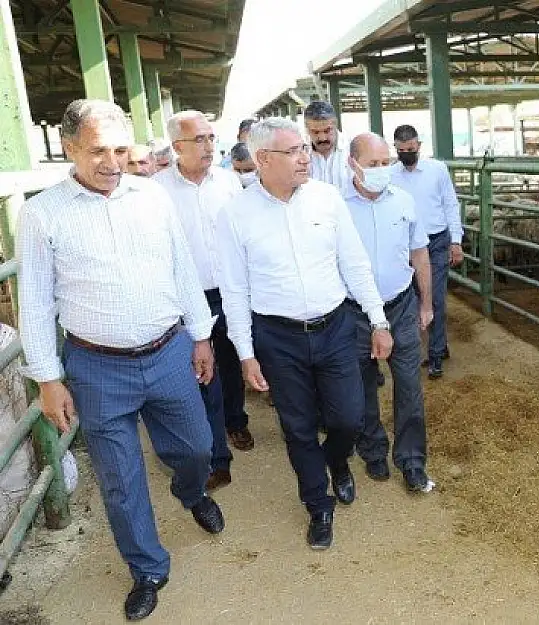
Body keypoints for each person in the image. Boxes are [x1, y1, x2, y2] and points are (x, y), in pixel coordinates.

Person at [17, 99, 224, 621]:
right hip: (96, 366)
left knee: (198, 446)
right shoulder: (42, 213)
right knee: (120, 478)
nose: (111, 162)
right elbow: (37, 301)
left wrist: (200, 337)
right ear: (68, 149)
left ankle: (190, 489)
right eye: (96, 151)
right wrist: (47, 377)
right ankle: (147, 567)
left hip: (169, 350)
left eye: (120, 150)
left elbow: (182, 269)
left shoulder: (152, 198)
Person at [216, 117, 392, 550]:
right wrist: (245, 354)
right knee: (297, 427)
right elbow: (234, 291)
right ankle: (318, 505)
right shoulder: (235, 215)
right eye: (293, 150)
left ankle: (339, 462)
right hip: (278, 337)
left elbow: (354, 263)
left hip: (335, 328)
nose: (305, 156)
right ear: (262, 160)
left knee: (347, 418)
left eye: (304, 148)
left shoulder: (326, 199)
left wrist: (378, 319)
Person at [154, 110, 251, 479]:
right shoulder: (157, 190)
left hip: (231, 290)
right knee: (204, 372)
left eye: (211, 138)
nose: (209, 146)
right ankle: (217, 458)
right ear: (177, 146)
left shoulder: (228, 182)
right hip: (188, 298)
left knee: (232, 359)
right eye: (199, 139)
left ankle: (236, 419)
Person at [344, 132, 436, 492]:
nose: (382, 170)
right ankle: (373, 450)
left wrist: (426, 303)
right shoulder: (337, 206)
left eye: (386, 163)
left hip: (400, 305)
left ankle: (412, 459)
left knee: (410, 385)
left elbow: (420, 254)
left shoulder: (404, 202)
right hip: (353, 312)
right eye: (373, 164)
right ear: (353, 163)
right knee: (362, 385)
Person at [390, 125, 463, 379]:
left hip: (435, 241)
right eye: (401, 151)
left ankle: (434, 355)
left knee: (435, 298)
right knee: (410, 299)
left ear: (419, 146)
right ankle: (438, 346)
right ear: (395, 149)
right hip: (406, 244)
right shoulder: (390, 175)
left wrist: (456, 240)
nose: (407, 154)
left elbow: (450, 203)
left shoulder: (437, 169)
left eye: (411, 149)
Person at [304, 101, 348, 187]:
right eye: (315, 132)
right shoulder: (300, 152)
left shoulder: (353, 149)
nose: (322, 138)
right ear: (306, 129)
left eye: (327, 131)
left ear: (335, 124)